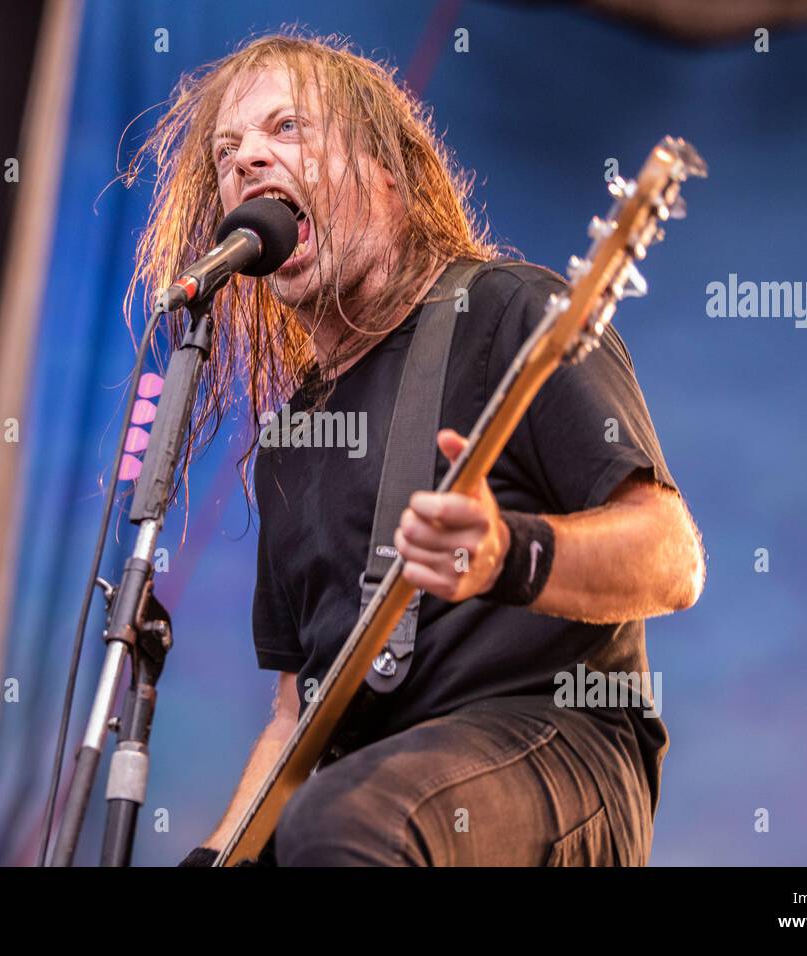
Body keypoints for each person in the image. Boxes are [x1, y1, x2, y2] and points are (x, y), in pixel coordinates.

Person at [122, 30, 706, 866]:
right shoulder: (292, 439)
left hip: (557, 748)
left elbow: (670, 557)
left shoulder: (509, 312)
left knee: (345, 823)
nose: (247, 159)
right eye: (228, 150)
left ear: (389, 177)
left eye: (287, 129)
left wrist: (511, 555)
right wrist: (218, 855)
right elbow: (297, 712)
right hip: (363, 788)